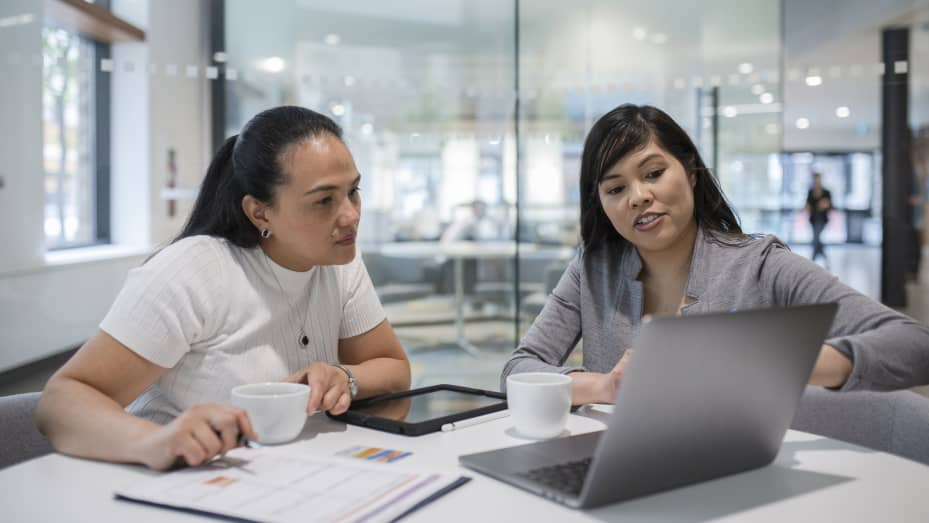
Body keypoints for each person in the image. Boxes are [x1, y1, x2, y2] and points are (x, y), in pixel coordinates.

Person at [36, 106, 411, 470]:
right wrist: (154, 440)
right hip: (179, 481)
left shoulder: (338, 260)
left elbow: (394, 370)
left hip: (290, 475)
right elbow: (61, 401)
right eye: (325, 201)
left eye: (353, 192)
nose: (350, 215)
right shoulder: (194, 270)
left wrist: (345, 377)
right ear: (260, 212)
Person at [501, 104, 929, 405]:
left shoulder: (760, 265)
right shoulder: (592, 272)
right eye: (616, 189)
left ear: (689, 172)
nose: (638, 197)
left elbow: (913, 346)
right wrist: (605, 387)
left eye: (653, 173)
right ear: (601, 204)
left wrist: (775, 362)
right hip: (613, 467)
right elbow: (518, 370)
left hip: (737, 478)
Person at [804, 172, 832, 263]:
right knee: (817, 239)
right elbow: (807, 204)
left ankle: (812, 260)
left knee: (816, 238)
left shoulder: (826, 192)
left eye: (818, 178)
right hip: (813, 219)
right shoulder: (811, 191)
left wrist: (825, 205)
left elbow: (831, 205)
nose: (817, 180)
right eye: (815, 178)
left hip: (822, 219)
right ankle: (825, 258)